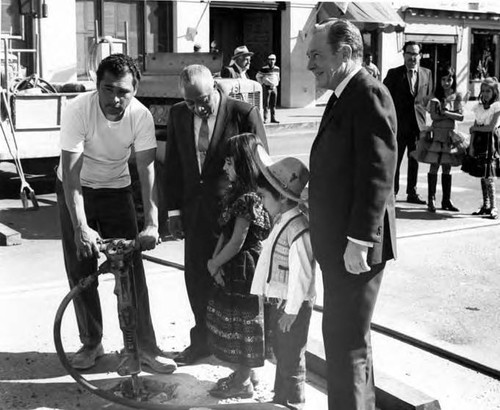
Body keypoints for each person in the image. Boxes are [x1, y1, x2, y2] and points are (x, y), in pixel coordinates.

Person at [56, 54, 176, 374]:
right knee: (82, 268)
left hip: (116, 189)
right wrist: (81, 226)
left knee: (132, 268)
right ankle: (92, 342)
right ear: (97, 86)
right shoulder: (78, 110)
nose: (115, 98)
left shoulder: (140, 115)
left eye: (123, 91)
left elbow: (147, 169)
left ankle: (144, 347)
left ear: (135, 91)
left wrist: (151, 223)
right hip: (75, 188)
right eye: (108, 89)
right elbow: (71, 174)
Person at [306, 20, 397, 410]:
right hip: (340, 243)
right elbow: (345, 165)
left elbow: (378, 175)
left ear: (344, 53)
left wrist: (359, 242)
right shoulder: (342, 94)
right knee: (348, 340)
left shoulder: (369, 93)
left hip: (355, 246)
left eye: (316, 56)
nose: (310, 65)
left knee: (346, 344)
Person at [162, 64, 267, 366]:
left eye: (203, 100)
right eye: (190, 102)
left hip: (234, 217)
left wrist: (255, 213)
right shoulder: (179, 115)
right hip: (195, 213)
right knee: (196, 277)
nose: (198, 107)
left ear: (216, 89)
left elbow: (260, 166)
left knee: (234, 283)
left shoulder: (242, 113)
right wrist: (172, 211)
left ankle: (237, 350)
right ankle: (202, 343)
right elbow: (173, 164)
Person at [206, 133, 271, 399]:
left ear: (243, 165)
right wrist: (214, 261)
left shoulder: (249, 199)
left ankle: (244, 380)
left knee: (243, 325)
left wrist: (214, 263)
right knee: (233, 322)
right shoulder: (237, 195)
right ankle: (247, 373)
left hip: (244, 269)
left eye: (230, 163)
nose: (224, 168)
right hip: (231, 266)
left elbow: (237, 241)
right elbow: (225, 232)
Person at [251, 145, 316, 410]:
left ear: (281, 197)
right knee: (282, 352)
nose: (262, 203)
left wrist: (291, 310)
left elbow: (302, 274)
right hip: (281, 303)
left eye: (264, 197)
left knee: (291, 356)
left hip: (293, 307)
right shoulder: (282, 221)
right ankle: (281, 398)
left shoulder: (297, 228)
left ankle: (292, 401)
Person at [384, 41, 434, 204]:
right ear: (404, 55)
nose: (413, 57)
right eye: (409, 53)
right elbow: (385, 98)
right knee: (395, 161)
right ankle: (393, 192)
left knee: (415, 160)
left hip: (418, 126)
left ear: (420, 55)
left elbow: (427, 99)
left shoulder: (427, 73)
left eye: (415, 54)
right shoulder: (394, 74)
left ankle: (412, 192)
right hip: (398, 126)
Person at [421, 66, 464, 213]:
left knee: (447, 167)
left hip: (451, 135)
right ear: (439, 81)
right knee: (434, 165)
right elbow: (434, 116)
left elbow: (462, 116)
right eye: (444, 79)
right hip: (438, 135)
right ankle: (431, 199)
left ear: (453, 79)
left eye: (449, 79)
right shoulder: (435, 96)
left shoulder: (457, 95)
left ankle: (446, 200)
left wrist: (445, 112)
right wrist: (450, 114)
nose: (447, 82)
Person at [462, 77, 500, 219]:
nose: (485, 94)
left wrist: (475, 128)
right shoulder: (478, 107)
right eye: (483, 91)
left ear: (494, 92)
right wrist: (471, 146)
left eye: (488, 91)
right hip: (479, 141)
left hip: (491, 141)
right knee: (482, 174)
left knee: (489, 175)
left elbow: (490, 127)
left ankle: (494, 207)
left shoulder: (496, 107)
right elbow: (473, 128)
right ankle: (486, 204)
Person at [256, 54, 281, 123]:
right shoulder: (264, 69)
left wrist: (276, 84)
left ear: (275, 60)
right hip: (267, 88)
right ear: (268, 60)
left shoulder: (277, 68)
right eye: (270, 59)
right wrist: (262, 83)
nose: (272, 61)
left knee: (273, 104)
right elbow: (258, 76)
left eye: (273, 59)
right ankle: (265, 118)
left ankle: (273, 118)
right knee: (266, 104)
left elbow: (278, 77)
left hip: (274, 88)